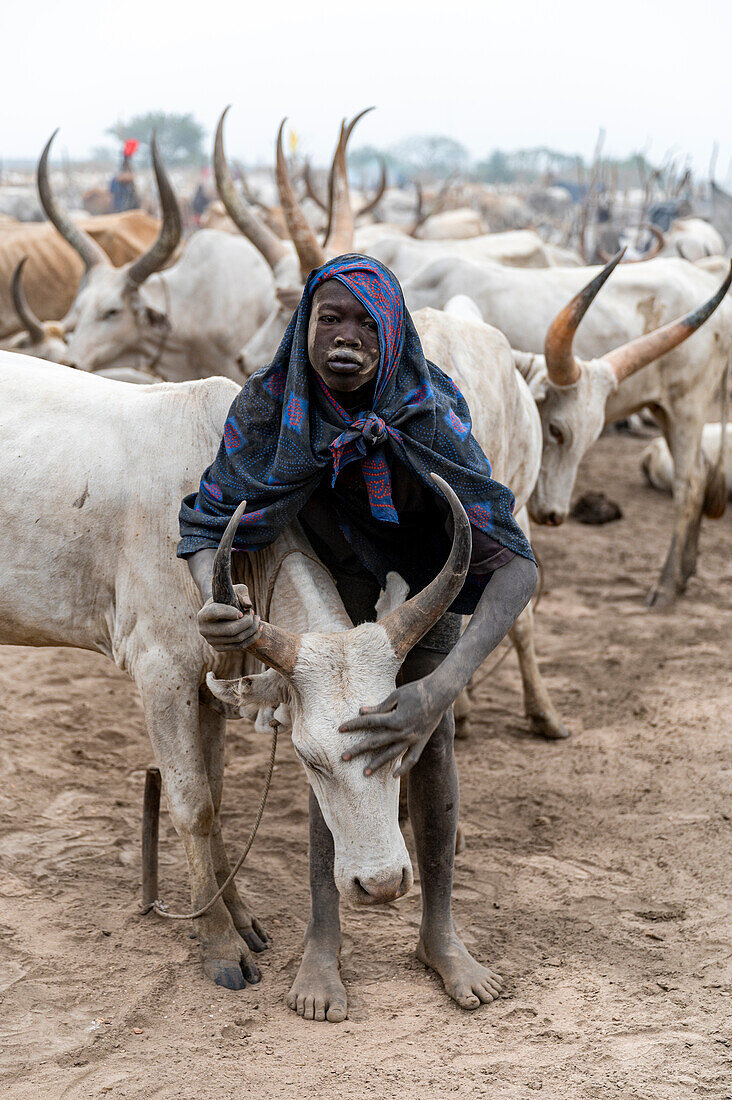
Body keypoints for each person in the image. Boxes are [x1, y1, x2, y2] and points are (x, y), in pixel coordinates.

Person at [178, 254, 537, 1020]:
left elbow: (517, 568)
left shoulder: (431, 411)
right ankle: (323, 937)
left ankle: (438, 930)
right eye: (328, 318)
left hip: (429, 576)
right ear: (303, 325)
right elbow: (206, 520)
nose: (345, 337)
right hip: (331, 565)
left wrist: (441, 688)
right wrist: (214, 596)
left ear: (393, 332)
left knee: (425, 739)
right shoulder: (270, 404)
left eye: (365, 322)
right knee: (337, 730)